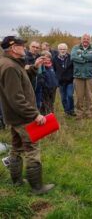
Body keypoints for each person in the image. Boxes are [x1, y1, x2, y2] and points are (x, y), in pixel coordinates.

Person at [0, 36, 54, 194]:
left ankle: (16, 182)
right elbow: (16, 98)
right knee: (32, 148)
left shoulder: (10, 63)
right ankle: (37, 187)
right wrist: (34, 115)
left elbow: (22, 78)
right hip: (22, 117)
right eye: (21, 45)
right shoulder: (9, 66)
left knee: (16, 148)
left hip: (14, 116)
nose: (24, 47)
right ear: (13, 48)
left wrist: (34, 67)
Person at [71, 34, 92, 119]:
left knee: (89, 96)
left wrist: (81, 55)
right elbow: (73, 57)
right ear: (81, 40)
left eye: (87, 39)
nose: (86, 40)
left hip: (89, 76)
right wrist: (86, 59)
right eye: (84, 39)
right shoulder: (75, 48)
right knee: (79, 96)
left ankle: (89, 113)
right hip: (78, 76)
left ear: (90, 40)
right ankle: (79, 114)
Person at [52, 43, 75, 116]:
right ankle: (66, 111)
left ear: (67, 49)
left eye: (64, 49)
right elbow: (53, 70)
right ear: (58, 50)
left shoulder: (71, 57)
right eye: (61, 49)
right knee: (63, 98)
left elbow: (74, 68)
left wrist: (72, 77)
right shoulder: (54, 58)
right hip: (60, 82)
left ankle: (71, 110)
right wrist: (56, 79)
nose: (62, 50)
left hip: (70, 81)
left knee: (70, 95)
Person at [39, 51, 58, 115]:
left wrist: (56, 84)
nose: (47, 58)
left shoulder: (51, 66)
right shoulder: (41, 66)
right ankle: (45, 117)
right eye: (45, 57)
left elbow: (54, 75)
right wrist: (45, 86)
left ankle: (51, 116)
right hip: (45, 89)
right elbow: (41, 78)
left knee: (51, 103)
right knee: (45, 104)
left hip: (53, 88)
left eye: (48, 57)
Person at [25, 41, 43, 109]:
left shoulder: (40, 57)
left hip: (38, 84)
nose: (35, 49)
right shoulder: (24, 57)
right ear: (29, 46)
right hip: (28, 85)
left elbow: (42, 71)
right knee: (29, 105)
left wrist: (42, 80)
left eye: (37, 47)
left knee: (38, 105)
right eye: (33, 47)